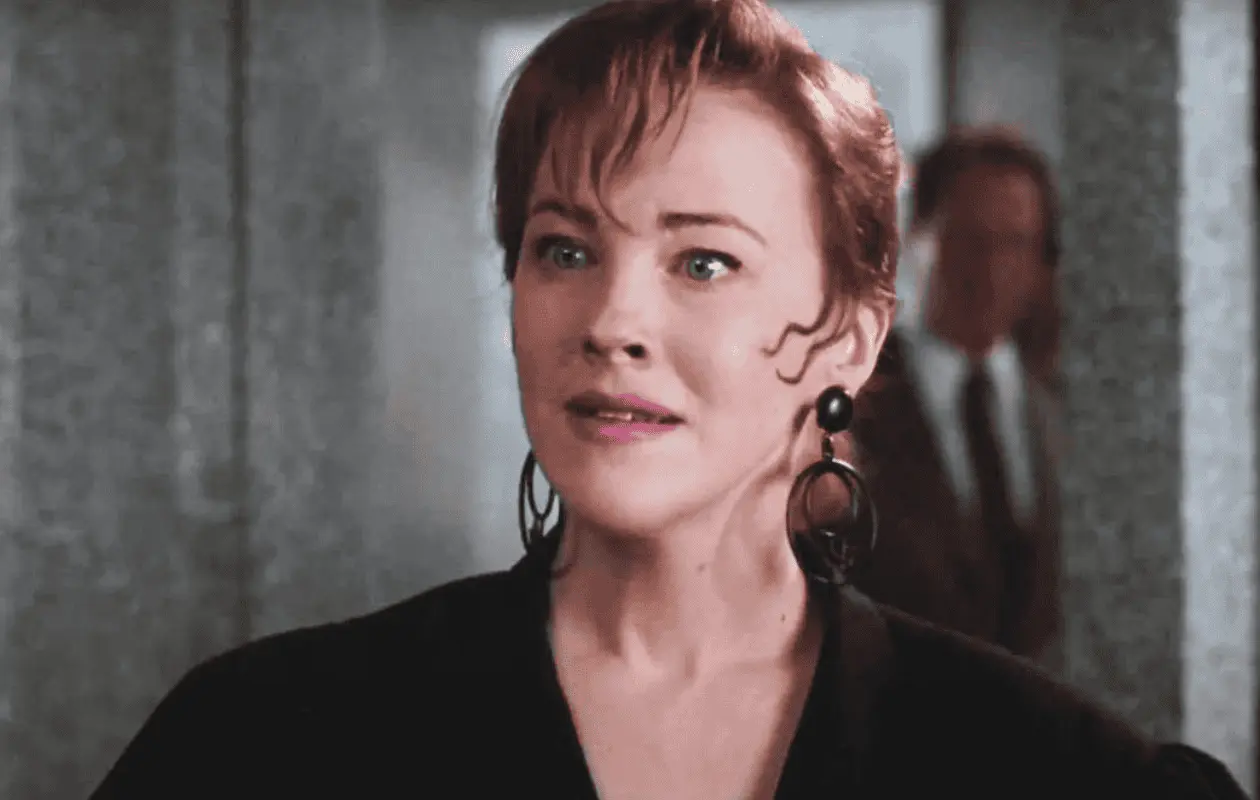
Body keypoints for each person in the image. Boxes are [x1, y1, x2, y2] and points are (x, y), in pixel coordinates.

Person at [90, 2, 1246, 798]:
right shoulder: (267, 740)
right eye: (563, 248)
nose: (611, 319)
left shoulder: (1055, 771)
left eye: (703, 261)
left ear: (850, 334)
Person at [848, 127, 1065, 662]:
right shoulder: (853, 402)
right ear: (916, 239)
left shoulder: (1063, 412)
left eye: (1015, 243)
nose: (990, 269)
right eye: (967, 239)